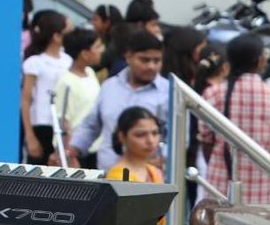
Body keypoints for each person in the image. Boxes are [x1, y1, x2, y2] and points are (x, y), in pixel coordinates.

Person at [198, 34, 270, 205]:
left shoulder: (213, 94)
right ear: (260, 60)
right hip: (266, 191)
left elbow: (206, 141)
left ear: (229, 62)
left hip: (221, 189)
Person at [65, 30, 170, 170]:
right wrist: (72, 150)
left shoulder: (169, 93)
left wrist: (163, 157)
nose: (151, 66)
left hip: (149, 176)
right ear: (128, 57)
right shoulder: (110, 86)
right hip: (108, 174)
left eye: (157, 61)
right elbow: (91, 126)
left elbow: (178, 139)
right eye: (144, 60)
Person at [20, 10, 70, 163]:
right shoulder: (35, 62)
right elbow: (26, 99)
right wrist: (30, 136)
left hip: (62, 124)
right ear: (56, 36)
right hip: (41, 124)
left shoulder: (68, 61)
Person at [52, 27, 102, 148]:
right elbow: (63, 121)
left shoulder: (90, 72)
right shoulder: (66, 82)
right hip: (75, 148)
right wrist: (67, 151)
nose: (102, 50)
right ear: (85, 54)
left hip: (94, 145)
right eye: (97, 47)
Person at [104, 106, 165, 184]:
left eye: (155, 133)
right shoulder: (118, 177)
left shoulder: (154, 171)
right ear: (122, 136)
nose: (150, 140)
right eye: (140, 134)